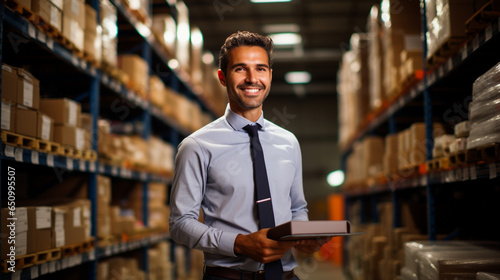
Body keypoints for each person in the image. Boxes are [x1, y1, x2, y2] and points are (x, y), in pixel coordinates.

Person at [169, 31, 325, 280]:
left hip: (286, 275)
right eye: (241, 69)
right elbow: (180, 224)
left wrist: (302, 235)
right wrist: (238, 243)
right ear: (222, 77)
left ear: (270, 75)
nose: (253, 79)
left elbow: (297, 207)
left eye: (261, 69)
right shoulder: (197, 145)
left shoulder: (288, 142)